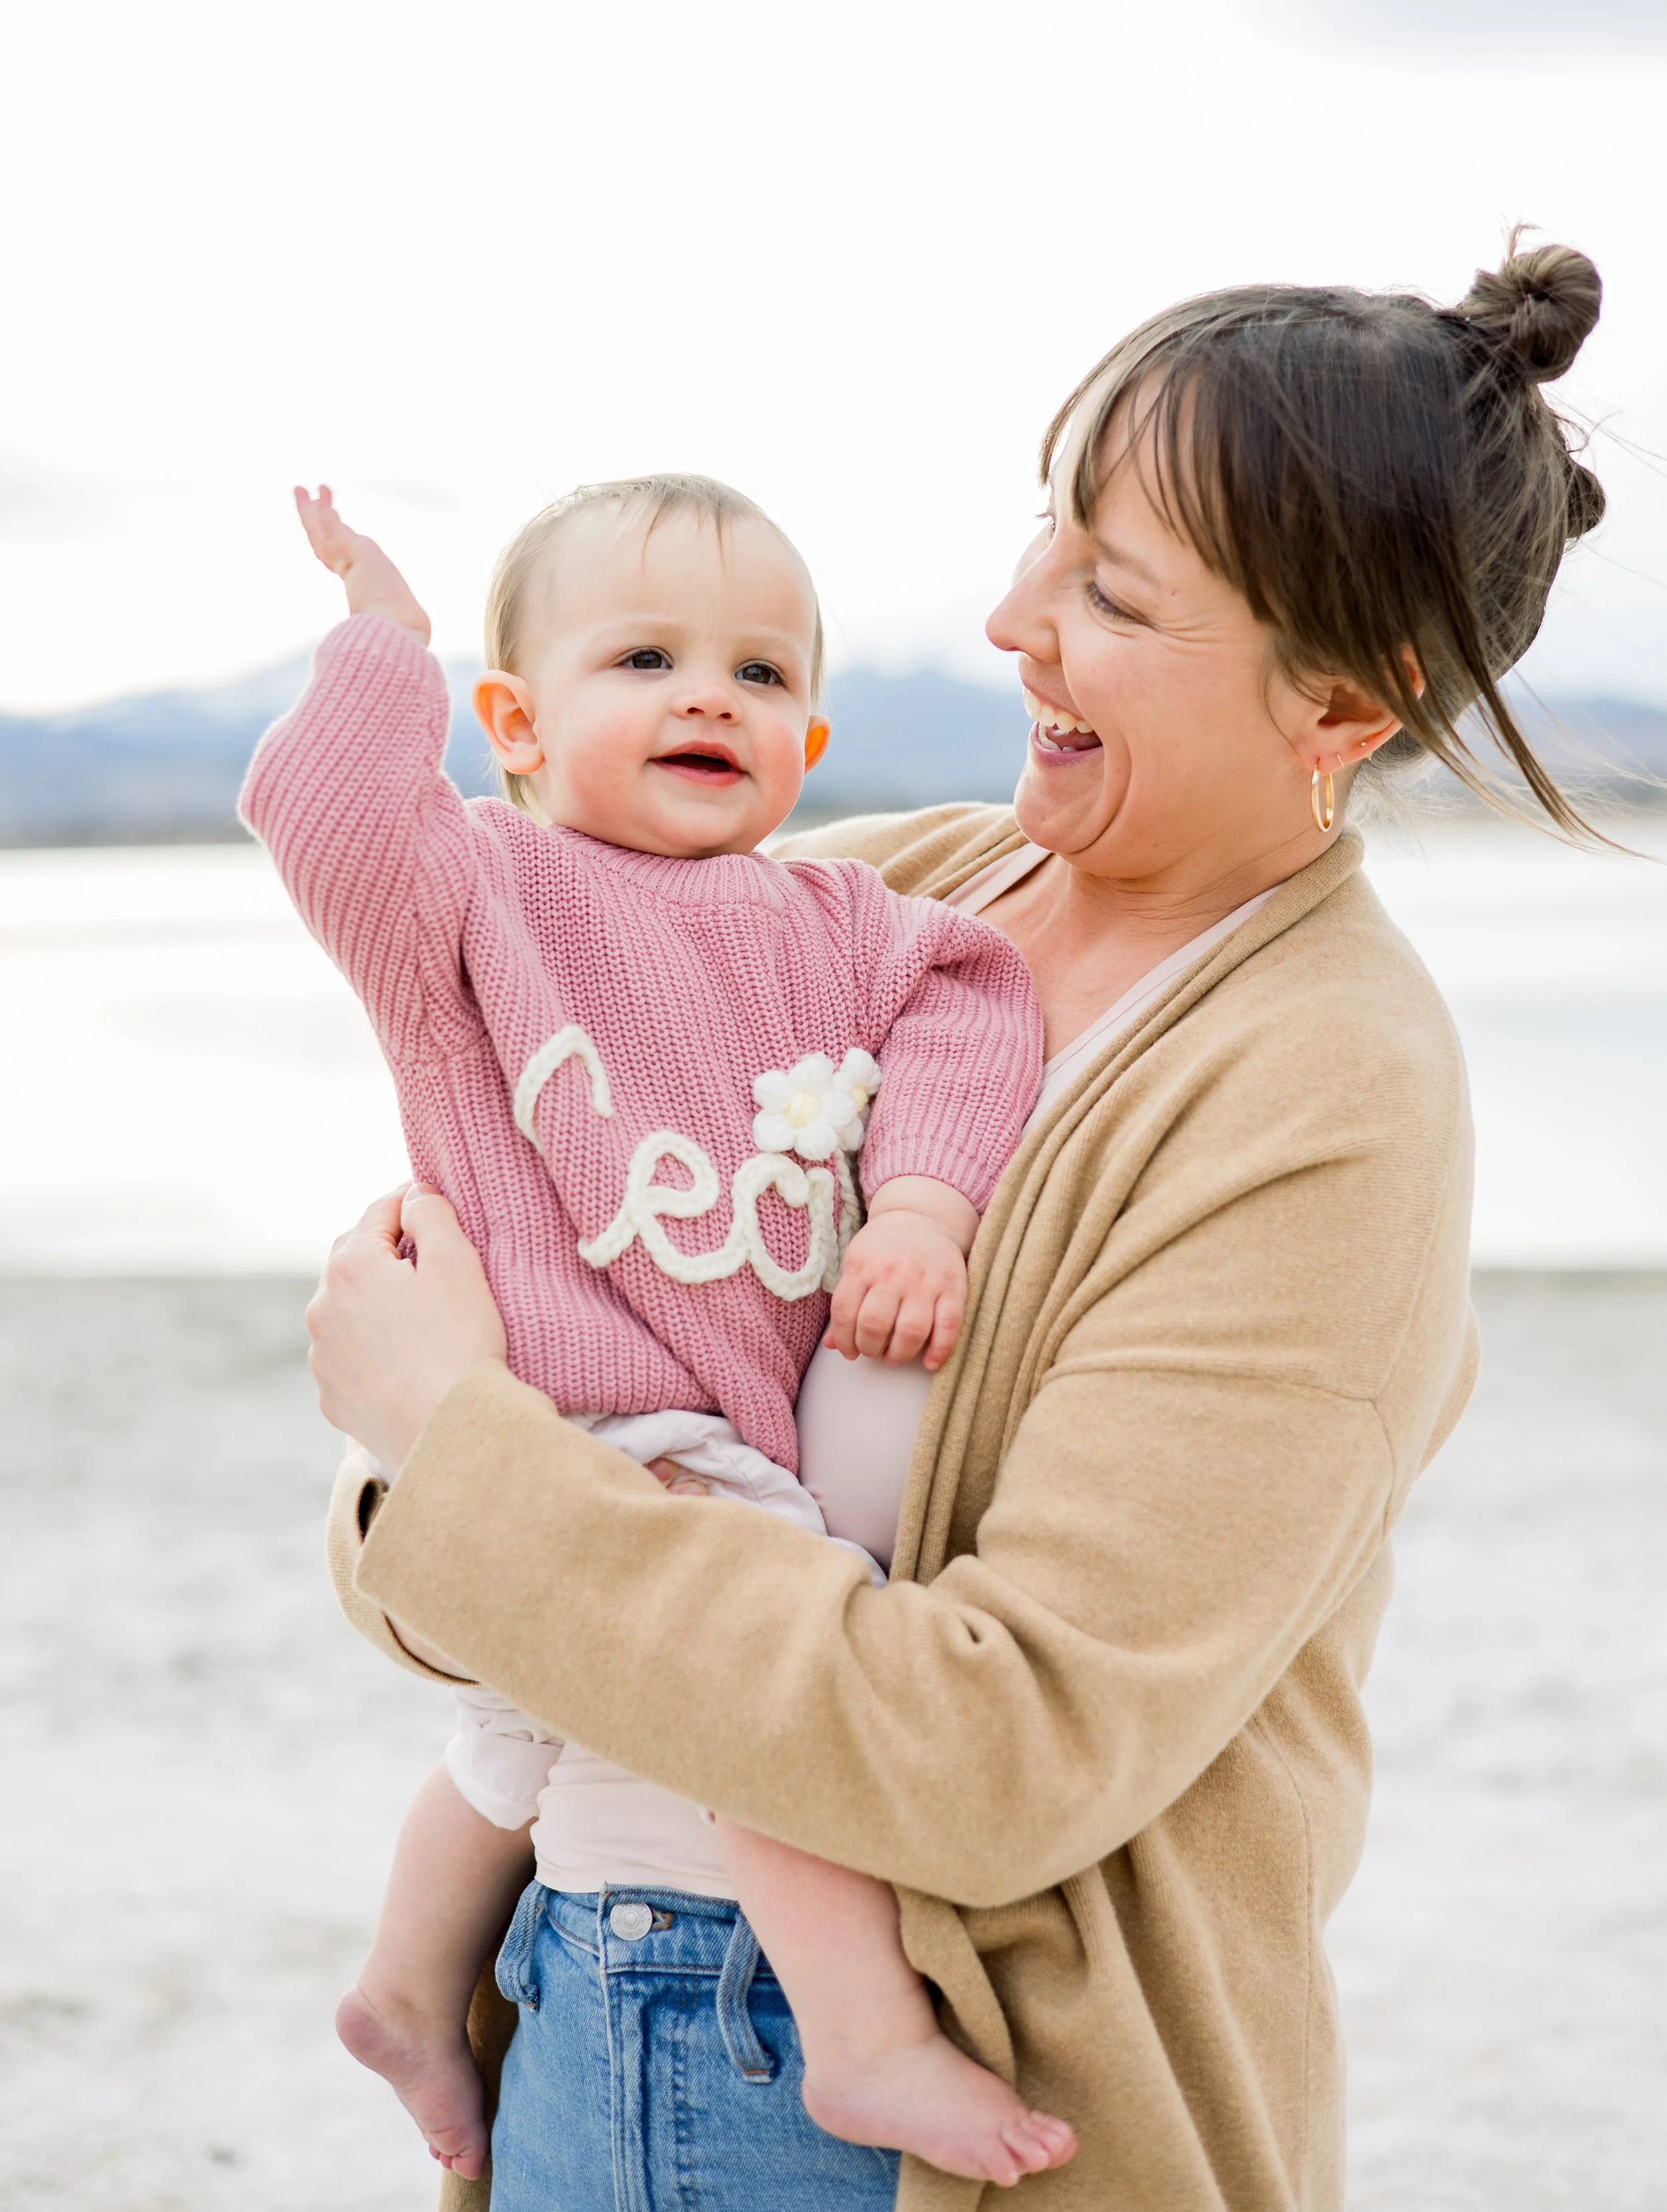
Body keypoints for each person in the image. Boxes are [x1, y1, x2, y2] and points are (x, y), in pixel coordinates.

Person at [309, 238, 1606, 2212]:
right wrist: (441, 1486)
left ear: (1344, 700)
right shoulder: (864, 893)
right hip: (578, 1992)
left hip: (951, 2110)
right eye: (1042, 535)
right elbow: (428, 1497)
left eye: (1110, 590)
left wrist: (466, 1474)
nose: (1011, 618)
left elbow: (993, 1756)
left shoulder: (1320, 1098)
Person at [241, 474, 1081, 2189]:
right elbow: (321, 819)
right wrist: (381, 648)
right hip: (583, 1412)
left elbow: (973, 1009)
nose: (710, 695)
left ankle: (408, 1988)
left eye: (761, 676)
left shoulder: (847, 926)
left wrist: (920, 1203)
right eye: (643, 656)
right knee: (762, 1637)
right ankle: (855, 2038)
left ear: (811, 739)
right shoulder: (471, 894)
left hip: (701, 1421)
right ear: (518, 725)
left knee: (519, 1729)